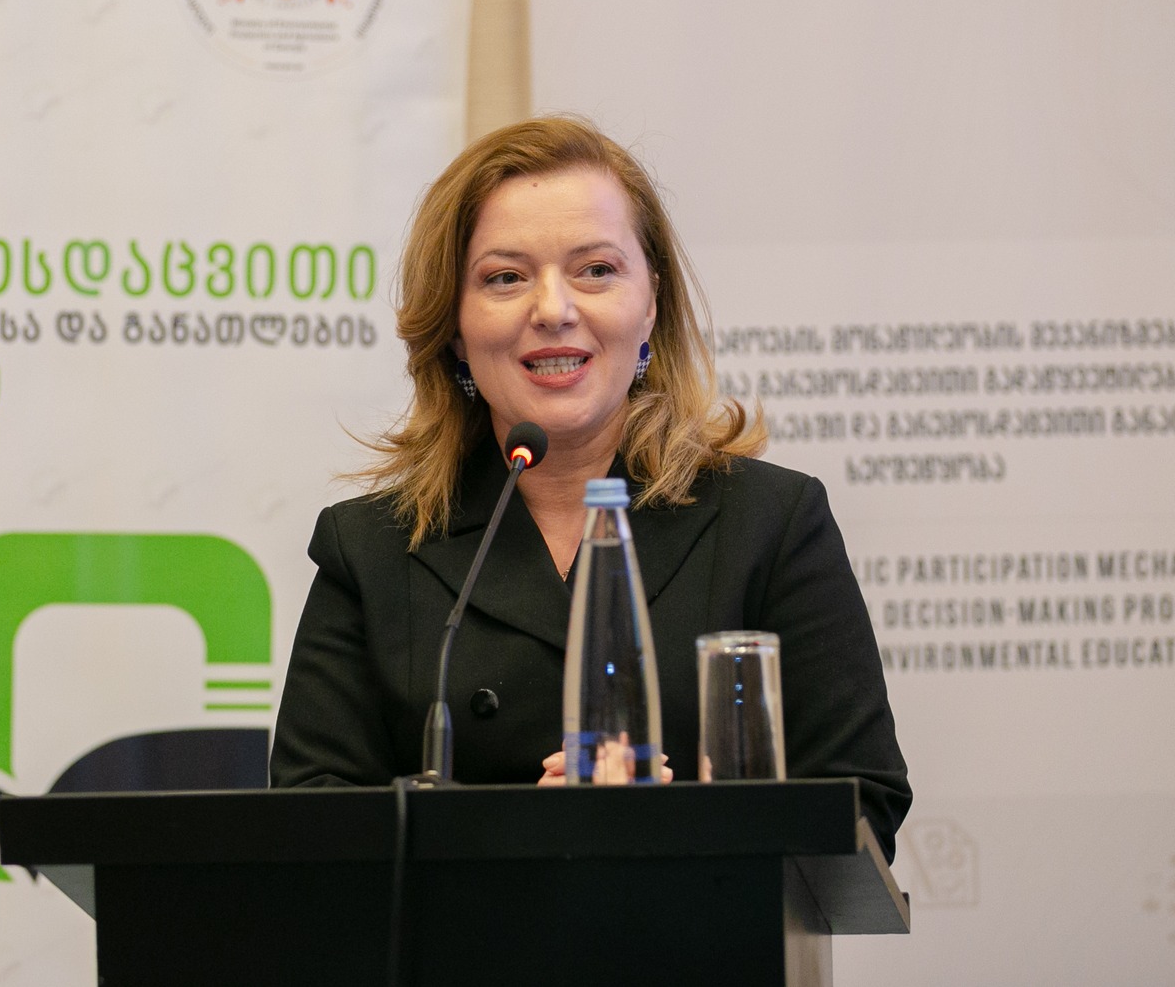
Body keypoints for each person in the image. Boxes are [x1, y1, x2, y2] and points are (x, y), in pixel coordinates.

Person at [268, 115, 911, 856]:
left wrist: (682, 830)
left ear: (652, 302)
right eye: (505, 277)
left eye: (596, 270)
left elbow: (863, 804)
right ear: (454, 326)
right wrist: (524, 832)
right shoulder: (370, 546)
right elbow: (309, 826)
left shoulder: (771, 521)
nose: (553, 309)